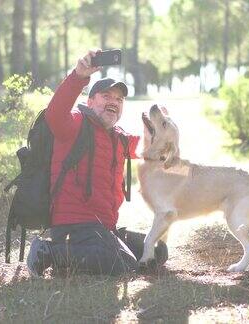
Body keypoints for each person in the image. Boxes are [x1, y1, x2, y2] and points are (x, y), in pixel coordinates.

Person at [26, 50, 167, 277]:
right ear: (90, 101)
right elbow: (54, 115)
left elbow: (151, 150)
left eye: (119, 99)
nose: (114, 102)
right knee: (120, 264)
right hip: (73, 226)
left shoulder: (119, 138)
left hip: (102, 228)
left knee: (157, 251)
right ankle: (48, 252)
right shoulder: (74, 124)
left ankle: (99, 251)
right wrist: (78, 76)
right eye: (106, 96)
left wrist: (159, 126)